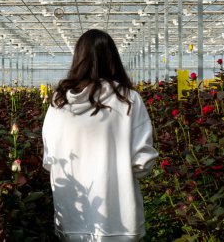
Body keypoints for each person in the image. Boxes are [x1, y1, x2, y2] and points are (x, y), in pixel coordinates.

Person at [42, 29, 158, 242]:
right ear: (113, 57)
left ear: (78, 58)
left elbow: (50, 159)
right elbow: (142, 161)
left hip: (72, 216)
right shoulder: (128, 99)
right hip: (119, 219)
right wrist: (119, 170)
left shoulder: (59, 102)